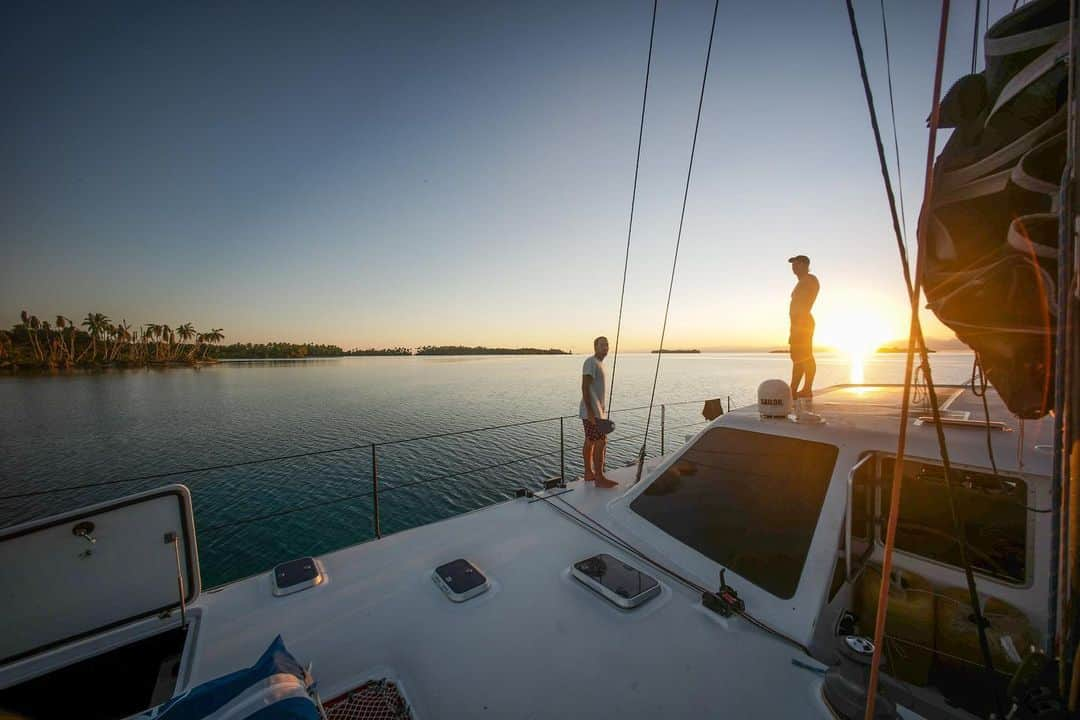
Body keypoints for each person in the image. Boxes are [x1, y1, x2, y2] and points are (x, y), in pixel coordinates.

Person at [580, 336, 615, 488]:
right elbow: (584, 387)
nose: (605, 347)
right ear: (595, 347)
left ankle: (588, 473)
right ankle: (599, 477)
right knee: (601, 441)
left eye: (607, 345)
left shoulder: (599, 364)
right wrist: (590, 412)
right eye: (602, 345)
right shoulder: (591, 362)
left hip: (596, 412)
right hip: (592, 412)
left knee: (590, 441)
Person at [788, 254, 820, 403]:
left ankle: (807, 389)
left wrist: (798, 324)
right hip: (797, 324)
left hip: (802, 322)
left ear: (804, 264)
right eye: (792, 264)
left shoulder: (810, 279)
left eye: (796, 263)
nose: (793, 266)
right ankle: (793, 390)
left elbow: (803, 303)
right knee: (797, 358)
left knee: (805, 356)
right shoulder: (802, 281)